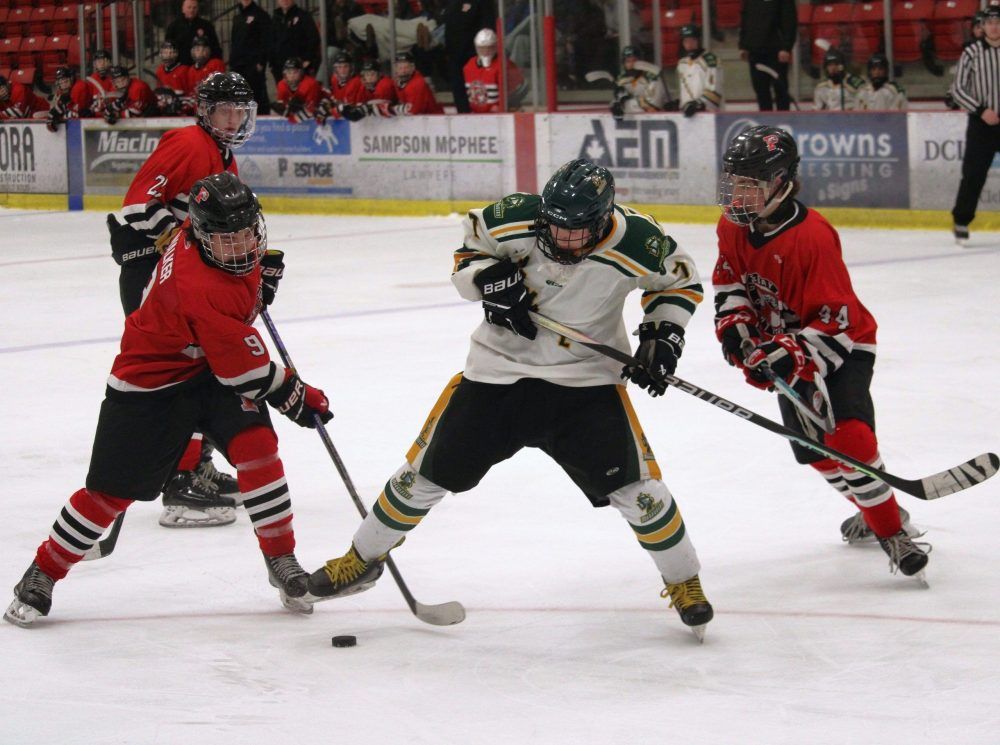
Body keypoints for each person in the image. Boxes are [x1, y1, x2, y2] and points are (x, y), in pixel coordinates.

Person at [306, 159, 715, 640]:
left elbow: (679, 282)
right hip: (495, 377)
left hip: (586, 384)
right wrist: (489, 282)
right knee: (421, 478)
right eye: (554, 226)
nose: (561, 239)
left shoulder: (639, 240)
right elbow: (468, 255)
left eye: (575, 231)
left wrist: (662, 336)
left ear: (603, 220)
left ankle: (685, 582)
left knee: (640, 493)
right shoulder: (514, 217)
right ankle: (360, 559)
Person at [4, 171, 332, 629]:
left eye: (245, 233)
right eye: (227, 238)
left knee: (258, 449)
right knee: (109, 493)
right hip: (152, 381)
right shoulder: (197, 286)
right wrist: (299, 395)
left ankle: (282, 559)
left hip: (207, 366)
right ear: (201, 234)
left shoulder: (207, 241)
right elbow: (248, 372)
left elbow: (230, 333)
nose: (240, 245)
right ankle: (43, 571)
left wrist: (259, 289)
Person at [713, 125, 930, 580]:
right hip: (786, 347)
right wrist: (737, 329)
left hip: (842, 345)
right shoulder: (731, 226)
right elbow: (731, 280)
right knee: (816, 452)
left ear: (781, 182)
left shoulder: (812, 237)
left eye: (751, 184)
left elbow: (837, 320)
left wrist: (786, 355)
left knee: (849, 438)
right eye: (736, 182)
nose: (739, 194)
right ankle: (881, 514)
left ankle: (894, 535)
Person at [105, 72, 258, 528]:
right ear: (205, 112)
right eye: (223, 111)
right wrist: (180, 244)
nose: (232, 119)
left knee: (207, 371)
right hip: (155, 281)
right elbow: (137, 205)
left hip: (177, 282)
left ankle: (196, 468)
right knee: (185, 377)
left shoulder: (221, 155)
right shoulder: (191, 144)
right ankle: (180, 481)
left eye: (238, 111)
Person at [949, 3, 1000, 246]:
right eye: (989, 23)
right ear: (983, 26)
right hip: (982, 124)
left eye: (998, 22)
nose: (994, 27)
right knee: (973, 174)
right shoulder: (971, 53)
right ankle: (961, 220)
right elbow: (957, 89)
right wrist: (981, 110)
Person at [738, 0, 797, 111]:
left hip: (776, 51)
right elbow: (745, 20)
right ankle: (765, 122)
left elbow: (789, 20)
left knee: (780, 90)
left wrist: (786, 47)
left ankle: (784, 122)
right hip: (755, 50)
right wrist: (743, 45)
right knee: (761, 90)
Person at [443, 0, 496, 113]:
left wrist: (481, 53)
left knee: (477, 90)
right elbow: (449, 28)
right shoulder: (452, 4)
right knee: (459, 90)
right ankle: (463, 116)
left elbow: (487, 28)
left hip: (473, 56)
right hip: (455, 56)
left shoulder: (482, 3)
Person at [463, 28, 525, 113]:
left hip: (500, 115)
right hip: (476, 115)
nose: (486, 51)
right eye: (482, 48)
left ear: (495, 46)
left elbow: (518, 90)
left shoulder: (505, 65)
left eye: (489, 48)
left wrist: (504, 107)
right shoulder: (469, 66)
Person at [229, 0, 272, 112]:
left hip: (253, 66)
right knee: (239, 98)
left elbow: (266, 40)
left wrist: (261, 62)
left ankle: (262, 122)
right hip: (238, 65)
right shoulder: (237, 17)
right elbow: (234, 42)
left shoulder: (261, 15)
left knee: (257, 97)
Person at [610, 46, 672, 120]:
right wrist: (617, 103)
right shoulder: (621, 79)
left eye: (634, 60)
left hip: (660, 120)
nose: (631, 64)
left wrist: (625, 103)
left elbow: (654, 106)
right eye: (628, 61)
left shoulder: (652, 76)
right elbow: (615, 104)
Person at [269, 0, 322, 86]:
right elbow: (270, 41)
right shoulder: (275, 17)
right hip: (279, 67)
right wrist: (272, 62)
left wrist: (308, 59)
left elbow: (313, 38)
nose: (285, 1)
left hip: (298, 67)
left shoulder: (303, 16)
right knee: (284, 95)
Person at [676, 24, 723, 117]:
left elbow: (715, 90)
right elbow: (686, 91)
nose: (689, 45)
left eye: (692, 40)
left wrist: (697, 105)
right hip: (688, 115)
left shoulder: (711, 60)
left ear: (699, 40)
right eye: (686, 41)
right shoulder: (682, 63)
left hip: (709, 115)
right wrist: (680, 103)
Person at [165, 0, 223, 66]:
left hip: (202, 66)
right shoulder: (173, 27)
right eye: (189, 7)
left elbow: (215, 47)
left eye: (194, 7)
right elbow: (168, 48)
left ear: (198, 9)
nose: (192, 10)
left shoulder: (206, 26)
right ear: (183, 9)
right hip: (180, 66)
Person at [274, 57, 323, 122]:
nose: (291, 76)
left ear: (301, 73)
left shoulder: (311, 83)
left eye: (295, 72)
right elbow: (282, 106)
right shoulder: (281, 84)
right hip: (303, 114)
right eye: (289, 72)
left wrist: (293, 118)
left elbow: (312, 109)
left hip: (321, 110)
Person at [46, 67, 94, 132]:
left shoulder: (79, 87)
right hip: (79, 128)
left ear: (71, 78)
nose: (64, 85)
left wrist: (59, 112)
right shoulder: (61, 93)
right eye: (61, 82)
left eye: (65, 81)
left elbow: (76, 114)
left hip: (91, 125)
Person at [85, 50, 116, 116]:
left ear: (109, 62)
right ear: (95, 64)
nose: (102, 64)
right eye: (99, 61)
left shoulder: (116, 78)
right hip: (95, 119)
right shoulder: (91, 80)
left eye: (104, 61)